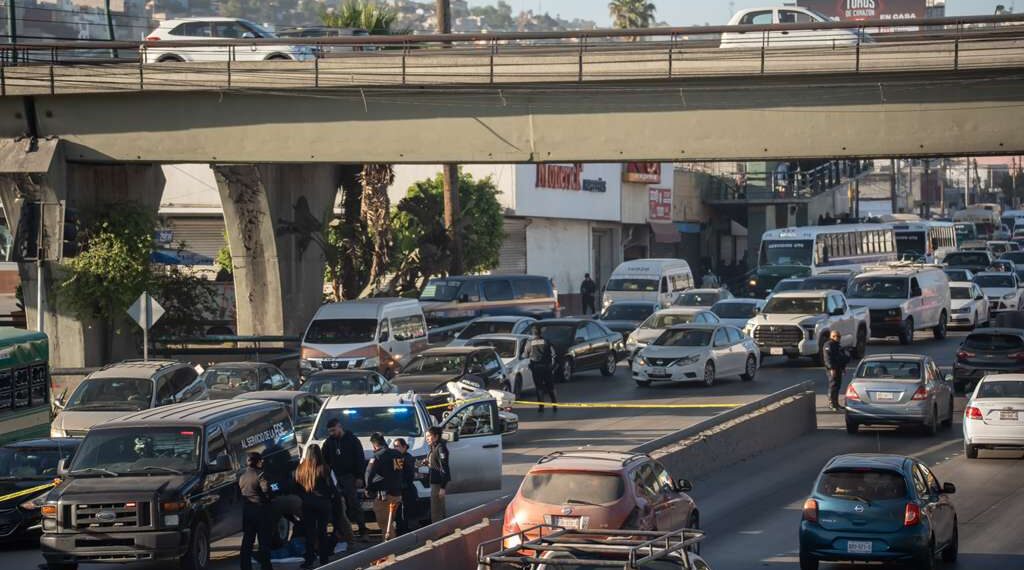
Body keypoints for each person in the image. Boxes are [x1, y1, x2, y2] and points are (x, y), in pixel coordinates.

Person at [321, 418, 366, 541]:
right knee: (338, 505)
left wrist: (359, 476)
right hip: (335, 477)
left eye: (333, 430)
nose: (332, 433)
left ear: (339, 427)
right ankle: (341, 531)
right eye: (329, 431)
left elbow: (360, 459)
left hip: (350, 476)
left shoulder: (352, 440)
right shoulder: (329, 443)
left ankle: (362, 529)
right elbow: (324, 459)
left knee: (354, 503)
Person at [295, 446, 335, 570]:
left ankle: (309, 559)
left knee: (310, 533)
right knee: (322, 532)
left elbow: (295, 487)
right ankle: (324, 559)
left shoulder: (301, 469)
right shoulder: (324, 468)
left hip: (307, 503)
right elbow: (332, 487)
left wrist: (305, 497)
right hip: (322, 503)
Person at [239, 452, 274, 570]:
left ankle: (245, 566)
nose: (262, 462)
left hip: (248, 512)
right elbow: (267, 492)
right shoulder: (260, 475)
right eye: (260, 460)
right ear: (256, 462)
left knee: (247, 542)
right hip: (261, 512)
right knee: (264, 541)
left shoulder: (242, 476)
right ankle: (266, 566)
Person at [365, 433, 403, 541]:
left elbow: (369, 472)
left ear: (374, 445)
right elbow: (399, 471)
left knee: (385, 523)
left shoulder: (377, 456)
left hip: (383, 495)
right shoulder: (397, 454)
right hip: (396, 494)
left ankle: (389, 548)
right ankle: (391, 544)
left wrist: (368, 488)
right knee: (390, 521)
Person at [392, 438, 419, 534]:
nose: (395, 448)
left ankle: (405, 530)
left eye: (397, 446)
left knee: (406, 511)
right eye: (394, 446)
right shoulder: (399, 457)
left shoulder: (405, 458)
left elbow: (401, 474)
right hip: (402, 488)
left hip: (406, 489)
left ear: (404, 447)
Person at [528, 328, 558, 412]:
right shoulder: (547, 341)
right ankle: (554, 405)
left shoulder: (530, 343)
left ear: (533, 334)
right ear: (541, 333)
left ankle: (541, 407)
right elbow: (554, 354)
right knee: (550, 387)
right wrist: (553, 366)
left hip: (536, 369)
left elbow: (525, 354)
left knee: (539, 388)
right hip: (547, 368)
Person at [425, 426, 450, 523]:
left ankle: (438, 535)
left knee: (436, 512)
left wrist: (442, 488)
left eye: (429, 436)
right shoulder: (434, 447)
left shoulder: (440, 448)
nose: (427, 438)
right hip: (435, 482)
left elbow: (444, 468)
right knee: (439, 510)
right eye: (426, 436)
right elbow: (436, 464)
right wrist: (428, 463)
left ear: (436, 436)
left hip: (438, 484)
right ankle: (443, 532)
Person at [823, 330, 850, 411]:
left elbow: (841, 357)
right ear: (831, 337)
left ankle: (836, 403)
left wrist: (843, 367)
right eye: (834, 336)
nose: (836, 338)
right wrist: (831, 368)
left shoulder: (838, 345)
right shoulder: (828, 345)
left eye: (838, 336)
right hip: (832, 369)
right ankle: (831, 403)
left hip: (838, 368)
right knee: (833, 385)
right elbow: (827, 358)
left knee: (838, 386)